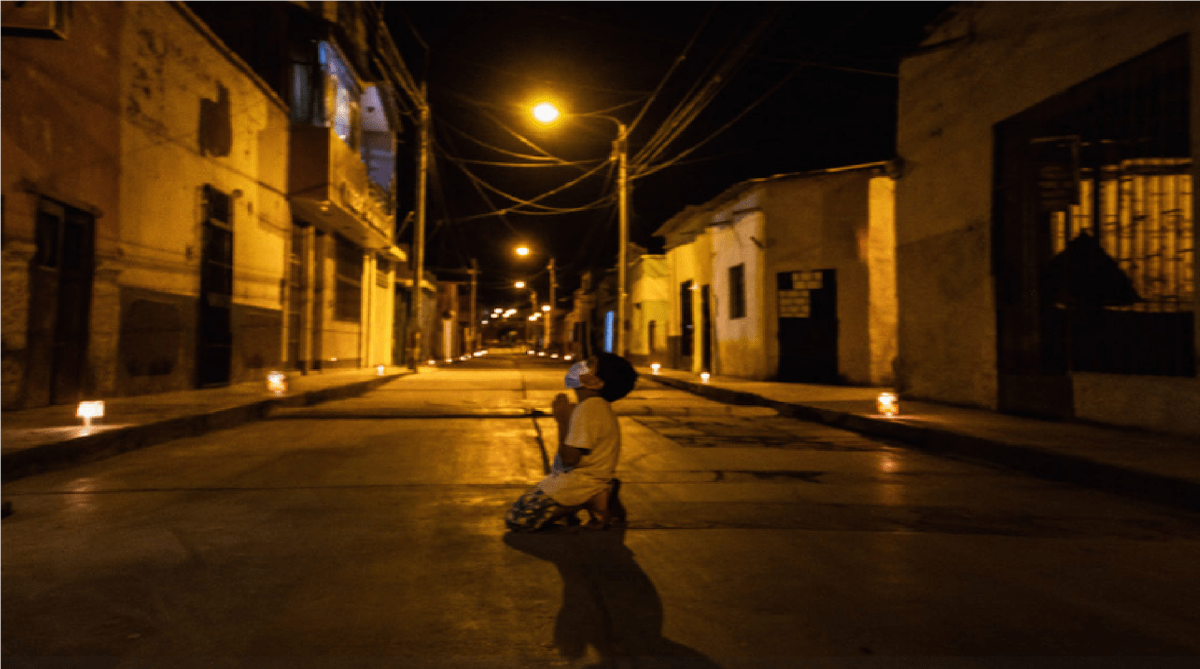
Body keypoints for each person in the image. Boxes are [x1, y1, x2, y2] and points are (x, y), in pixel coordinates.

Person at [506, 352, 638, 532]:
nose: (579, 364)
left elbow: (569, 458)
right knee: (529, 503)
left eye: (589, 364)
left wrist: (562, 420)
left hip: (585, 480)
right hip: (581, 478)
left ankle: (597, 497)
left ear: (596, 382)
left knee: (520, 518)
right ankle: (592, 499)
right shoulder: (591, 407)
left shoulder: (590, 408)